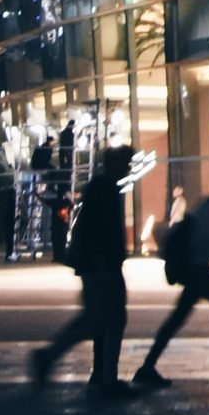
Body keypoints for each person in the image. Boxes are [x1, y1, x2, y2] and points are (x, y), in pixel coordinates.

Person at [134, 161, 209, 390]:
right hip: (198, 271)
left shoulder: (208, 204)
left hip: (195, 271)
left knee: (177, 319)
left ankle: (147, 367)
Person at [29, 145, 134, 399]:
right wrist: (103, 265)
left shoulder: (101, 187)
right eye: (125, 163)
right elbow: (100, 232)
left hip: (95, 264)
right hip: (101, 265)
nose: (128, 168)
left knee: (96, 319)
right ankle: (102, 375)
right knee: (109, 319)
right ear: (115, 164)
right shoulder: (105, 189)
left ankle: (100, 373)